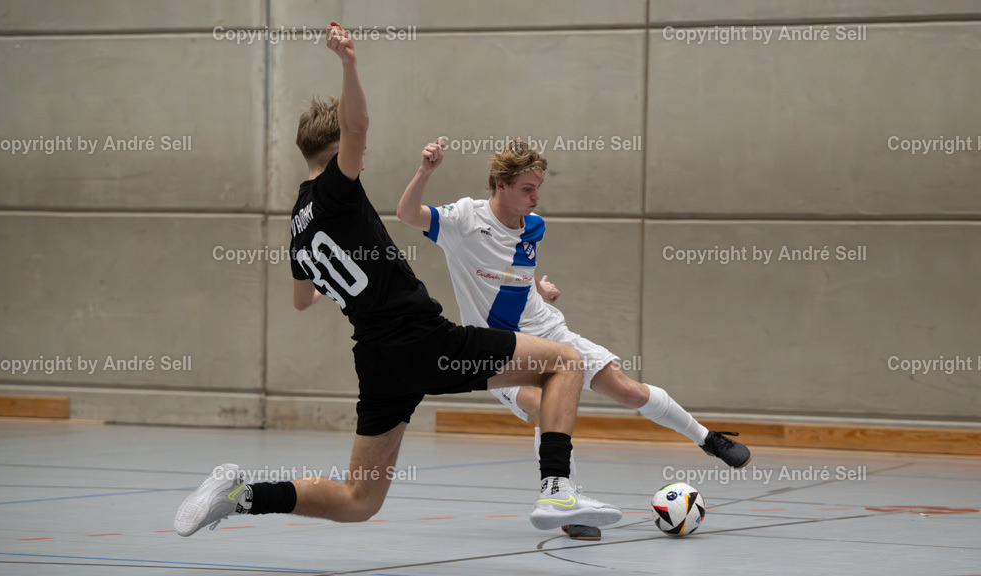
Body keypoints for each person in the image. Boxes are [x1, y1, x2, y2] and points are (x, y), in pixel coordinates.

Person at [174, 22, 621, 538]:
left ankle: (242, 495)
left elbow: (302, 300)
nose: (360, 154)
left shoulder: (298, 227)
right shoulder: (336, 193)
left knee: (359, 499)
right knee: (564, 360)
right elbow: (358, 128)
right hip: (422, 339)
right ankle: (556, 489)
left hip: (377, 357)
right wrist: (348, 63)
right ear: (338, 146)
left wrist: (348, 279)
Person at [396, 137, 751, 540]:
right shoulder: (463, 219)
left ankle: (707, 438)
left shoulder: (534, 226)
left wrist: (537, 290)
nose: (536, 196)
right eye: (527, 188)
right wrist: (426, 170)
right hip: (501, 348)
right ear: (500, 184)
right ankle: (564, 500)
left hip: (548, 330)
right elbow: (407, 214)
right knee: (547, 409)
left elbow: (511, 273)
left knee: (630, 392)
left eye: (539, 187)